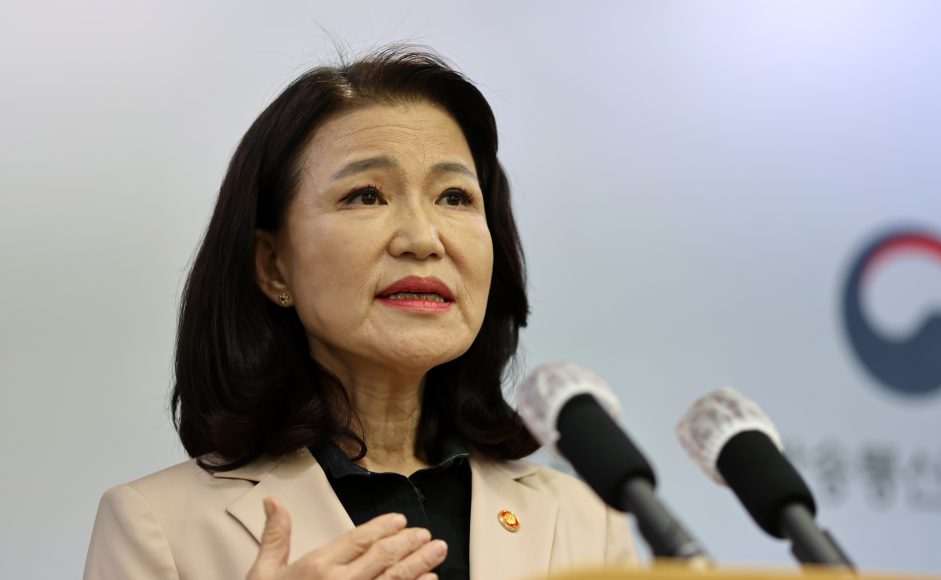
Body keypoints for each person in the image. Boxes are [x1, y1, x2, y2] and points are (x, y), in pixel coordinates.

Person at [84, 47, 637, 580]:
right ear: (274, 266)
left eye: (454, 197)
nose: (424, 239)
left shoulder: (588, 519)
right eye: (367, 195)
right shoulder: (159, 524)